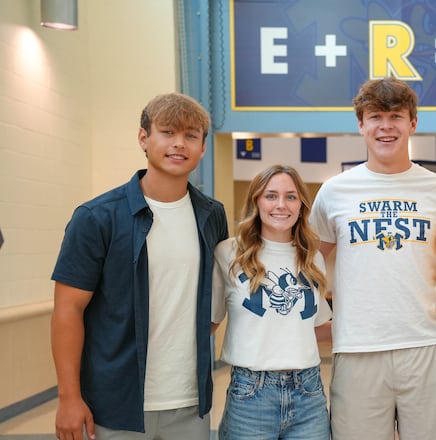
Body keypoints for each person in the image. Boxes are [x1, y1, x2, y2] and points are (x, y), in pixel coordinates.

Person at [50, 93, 229, 439]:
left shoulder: (212, 215)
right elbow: (67, 310)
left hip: (190, 404)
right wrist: (69, 397)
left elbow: (215, 292)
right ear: (144, 138)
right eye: (167, 132)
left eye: (191, 136)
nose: (179, 144)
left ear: (203, 147)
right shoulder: (96, 218)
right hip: (117, 404)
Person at [309, 77, 436, 439]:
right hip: (357, 348)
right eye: (375, 116)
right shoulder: (335, 191)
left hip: (424, 345)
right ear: (361, 125)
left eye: (396, 116)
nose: (386, 126)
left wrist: (415, 305)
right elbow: (305, 263)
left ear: (413, 123)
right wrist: (321, 321)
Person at [211, 165, 332, 439]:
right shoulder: (229, 253)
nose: (281, 205)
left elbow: (315, 329)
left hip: (309, 392)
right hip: (250, 394)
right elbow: (209, 322)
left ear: (301, 205)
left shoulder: (313, 258)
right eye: (271, 196)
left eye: (291, 197)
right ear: (256, 201)